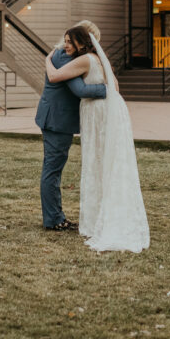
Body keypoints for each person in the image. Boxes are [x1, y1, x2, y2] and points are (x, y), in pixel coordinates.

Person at [45, 25, 149, 253]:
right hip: (112, 111)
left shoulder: (85, 60)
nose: (66, 45)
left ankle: (98, 218)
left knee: (97, 161)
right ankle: (108, 211)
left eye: (69, 41)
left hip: (99, 113)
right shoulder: (101, 59)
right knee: (109, 161)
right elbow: (116, 86)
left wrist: (47, 59)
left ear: (81, 42)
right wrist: (107, 91)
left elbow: (55, 77)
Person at [34, 27, 107, 231]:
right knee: (53, 169)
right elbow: (80, 90)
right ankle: (54, 219)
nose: (66, 45)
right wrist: (107, 89)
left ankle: (55, 216)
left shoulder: (64, 55)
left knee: (54, 168)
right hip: (56, 120)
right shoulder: (64, 57)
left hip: (58, 118)